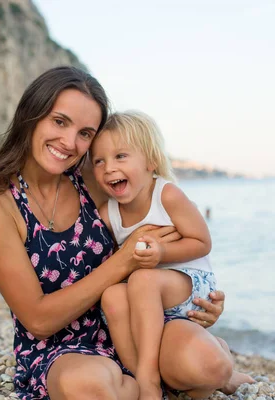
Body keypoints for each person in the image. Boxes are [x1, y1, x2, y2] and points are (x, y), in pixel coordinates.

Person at [0, 66, 229, 400]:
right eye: (59, 122)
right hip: (63, 348)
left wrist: (194, 295)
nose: (69, 143)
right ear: (32, 115)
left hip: (136, 326)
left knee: (210, 366)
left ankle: (168, 372)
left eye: (85, 133)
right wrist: (124, 261)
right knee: (88, 387)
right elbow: (39, 319)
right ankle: (152, 384)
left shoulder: (95, 178)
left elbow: (171, 232)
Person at [91, 111, 253, 399]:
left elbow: (202, 242)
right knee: (112, 296)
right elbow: (114, 262)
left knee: (143, 280)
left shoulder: (167, 195)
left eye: (120, 156)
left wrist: (163, 252)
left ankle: (152, 379)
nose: (108, 167)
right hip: (146, 305)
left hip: (188, 284)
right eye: (99, 161)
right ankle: (145, 376)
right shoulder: (108, 213)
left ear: (150, 161)